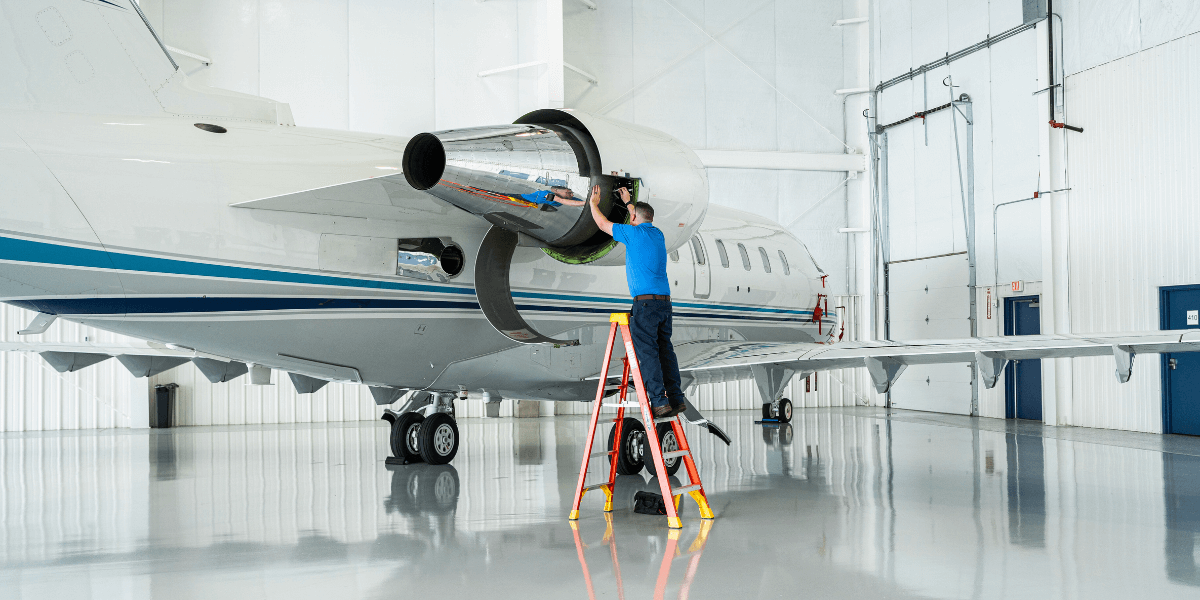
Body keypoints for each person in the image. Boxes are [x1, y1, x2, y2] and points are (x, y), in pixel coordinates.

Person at [588, 185, 686, 418]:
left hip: (645, 305)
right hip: (664, 303)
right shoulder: (657, 234)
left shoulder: (632, 234)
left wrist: (593, 204)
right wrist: (629, 202)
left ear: (633, 218)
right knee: (665, 350)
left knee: (648, 352)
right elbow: (639, 217)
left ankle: (659, 402)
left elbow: (602, 224)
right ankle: (676, 398)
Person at [518, 186, 586, 212]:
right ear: (556, 191)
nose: (572, 195)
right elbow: (560, 200)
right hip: (520, 199)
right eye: (568, 193)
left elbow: (580, 202)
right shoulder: (545, 194)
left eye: (572, 193)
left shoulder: (566, 197)